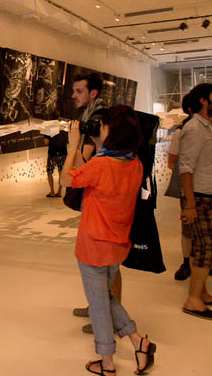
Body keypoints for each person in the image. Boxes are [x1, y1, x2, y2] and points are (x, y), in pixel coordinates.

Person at [61, 105, 156, 376]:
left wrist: (72, 147)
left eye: (102, 125)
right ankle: (138, 342)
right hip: (117, 245)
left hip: (93, 246)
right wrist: (91, 146)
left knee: (99, 306)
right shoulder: (134, 163)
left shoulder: (102, 165)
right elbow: (86, 175)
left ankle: (107, 362)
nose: (99, 128)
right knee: (106, 296)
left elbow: (66, 179)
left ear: (112, 132)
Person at [70, 73, 121, 334]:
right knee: (102, 259)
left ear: (93, 93)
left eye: (79, 91)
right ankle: (98, 307)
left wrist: (73, 147)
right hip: (98, 194)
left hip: (103, 197)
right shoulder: (91, 115)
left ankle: (108, 316)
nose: (73, 95)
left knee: (107, 261)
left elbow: (83, 162)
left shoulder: (97, 119)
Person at [178, 83, 212, 321]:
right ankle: (193, 300)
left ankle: (202, 293)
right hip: (201, 197)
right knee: (209, 248)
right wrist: (190, 204)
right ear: (204, 100)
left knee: (201, 247)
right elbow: (185, 168)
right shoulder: (194, 129)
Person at [43, 129, 68, 197]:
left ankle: (52, 191)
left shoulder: (49, 128)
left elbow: (46, 142)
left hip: (53, 153)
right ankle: (59, 192)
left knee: (49, 172)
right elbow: (67, 140)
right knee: (61, 172)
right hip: (63, 153)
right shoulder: (63, 128)